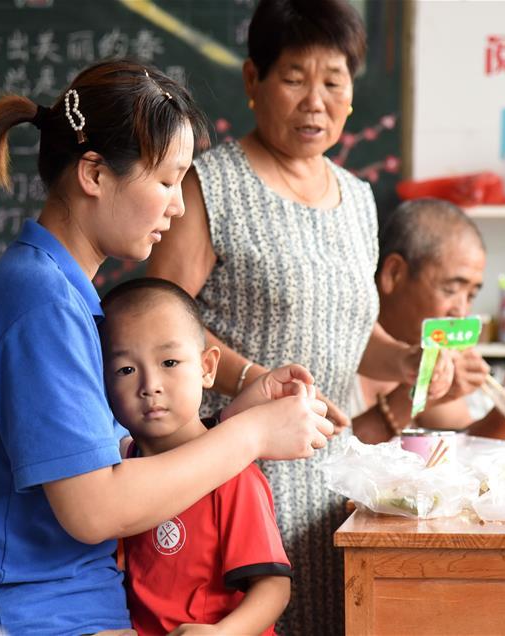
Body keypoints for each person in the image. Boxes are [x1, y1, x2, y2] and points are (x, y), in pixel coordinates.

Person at [0, 59, 334, 636]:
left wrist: (230, 417)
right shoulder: (42, 303)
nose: (178, 205)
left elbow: (104, 464)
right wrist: (250, 436)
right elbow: (94, 508)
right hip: (21, 617)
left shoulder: (60, 292)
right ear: (94, 175)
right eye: (166, 180)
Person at [146, 1, 452, 633]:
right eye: (294, 77)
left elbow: (347, 328)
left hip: (339, 476)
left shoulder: (359, 198)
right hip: (237, 472)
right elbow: (158, 323)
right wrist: (253, 380)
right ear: (254, 81)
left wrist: (407, 361)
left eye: (333, 81)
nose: (316, 100)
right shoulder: (212, 183)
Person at [100, 278, 291, 635]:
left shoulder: (233, 475)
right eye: (126, 370)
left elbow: (273, 587)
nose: (150, 385)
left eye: (169, 361)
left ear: (206, 368)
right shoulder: (119, 470)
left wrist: (223, 633)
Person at [351, 198, 505, 443]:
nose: (461, 312)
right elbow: (329, 459)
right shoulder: (342, 341)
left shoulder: (430, 356)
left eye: (471, 295)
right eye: (451, 289)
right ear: (394, 274)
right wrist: (421, 392)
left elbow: (464, 451)